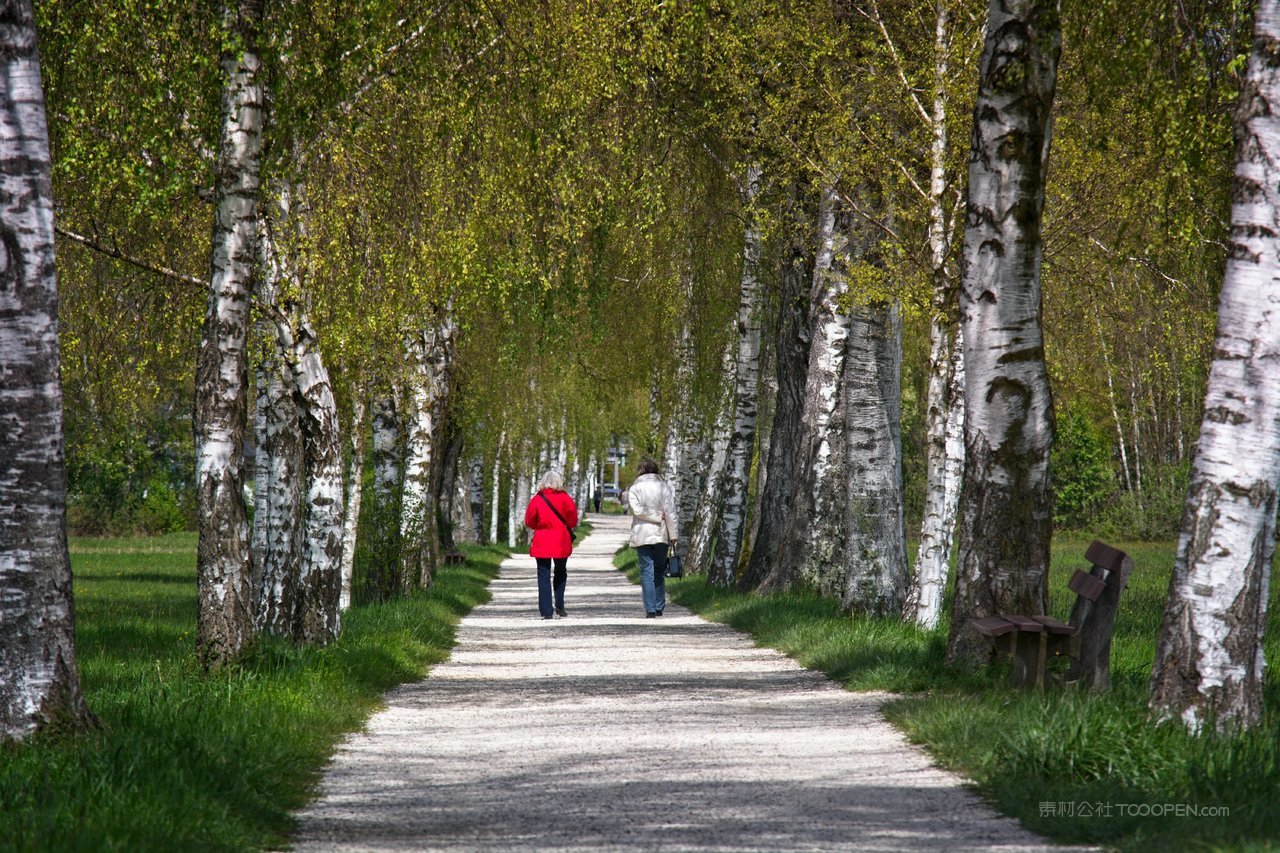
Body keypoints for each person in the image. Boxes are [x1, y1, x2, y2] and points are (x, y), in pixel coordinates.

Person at [524, 470, 579, 619]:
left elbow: (529, 521)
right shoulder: (565, 498)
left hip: (542, 540)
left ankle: (546, 612)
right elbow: (573, 520)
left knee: (543, 574)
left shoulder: (537, 499)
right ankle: (560, 606)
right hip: (561, 540)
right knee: (561, 572)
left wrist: (541, 526)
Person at [627, 458, 677, 618]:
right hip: (661, 533)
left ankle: (650, 609)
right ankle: (658, 606)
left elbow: (637, 510)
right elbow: (671, 512)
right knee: (659, 570)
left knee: (647, 571)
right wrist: (673, 534)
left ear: (641, 471)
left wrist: (654, 515)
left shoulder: (635, 488)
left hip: (642, 534)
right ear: (656, 471)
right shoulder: (664, 487)